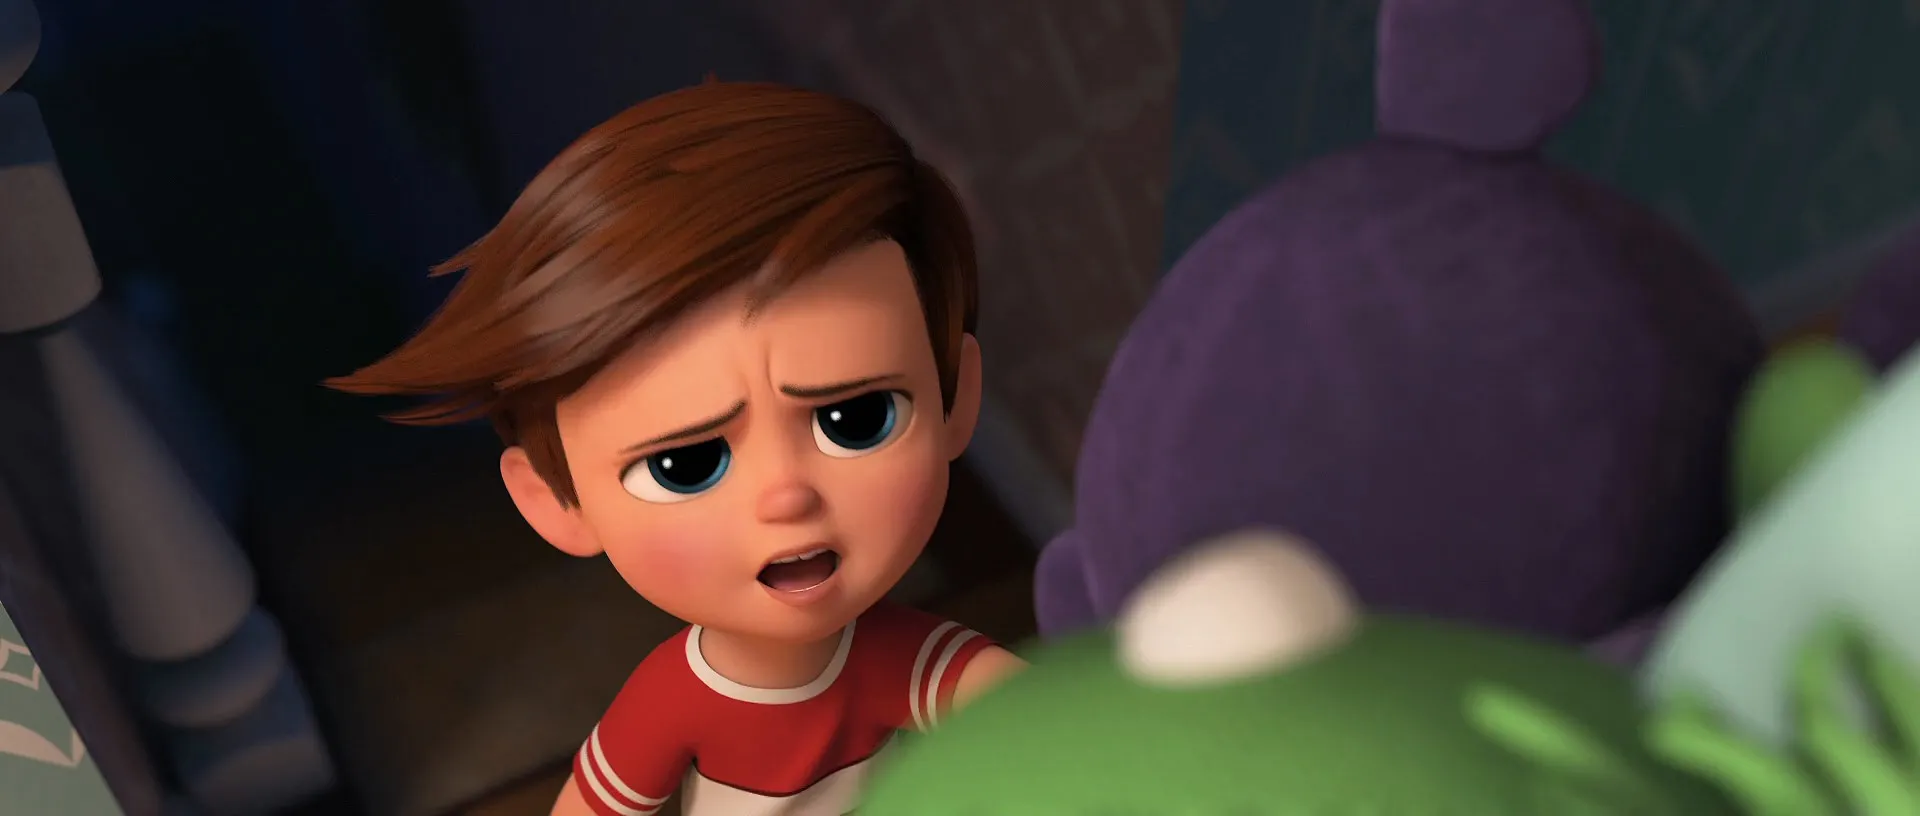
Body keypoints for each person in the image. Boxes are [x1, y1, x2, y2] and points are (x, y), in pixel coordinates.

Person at [327, 80, 1025, 816]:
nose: (787, 494)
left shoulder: (900, 656)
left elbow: (1041, 716)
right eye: (686, 465)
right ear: (555, 502)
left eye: (856, 419)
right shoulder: (675, 698)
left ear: (954, 398)